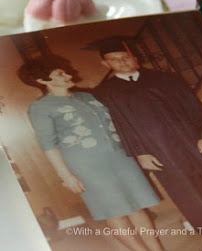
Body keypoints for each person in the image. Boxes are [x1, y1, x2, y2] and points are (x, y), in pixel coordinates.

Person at [88, 38, 202, 242]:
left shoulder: (165, 79)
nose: (122, 61)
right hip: (158, 151)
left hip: (194, 142)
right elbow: (119, 125)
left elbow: (195, 108)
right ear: (106, 64)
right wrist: (139, 152)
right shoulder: (105, 93)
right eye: (114, 59)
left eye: (126, 57)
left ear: (134, 58)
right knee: (188, 194)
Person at [18, 55, 164, 251]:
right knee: (115, 212)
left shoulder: (87, 96)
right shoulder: (40, 107)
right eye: (60, 73)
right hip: (87, 166)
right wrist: (66, 176)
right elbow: (48, 145)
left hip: (120, 157)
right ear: (42, 80)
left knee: (138, 205)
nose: (68, 75)